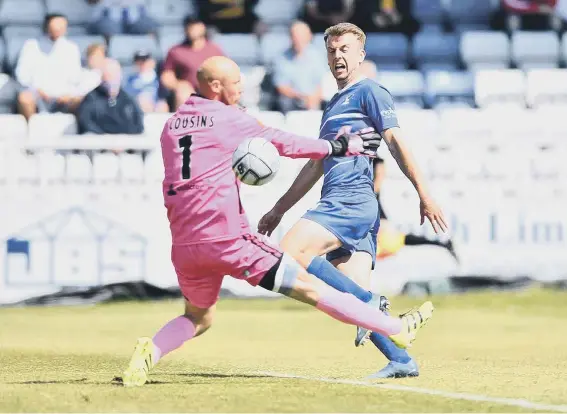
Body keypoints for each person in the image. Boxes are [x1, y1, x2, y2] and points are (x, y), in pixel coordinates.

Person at [121, 56, 434, 387]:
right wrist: (339, 145)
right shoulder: (229, 119)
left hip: (185, 247)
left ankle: (150, 351)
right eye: (236, 82)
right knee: (312, 289)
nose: (241, 87)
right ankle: (397, 330)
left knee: (198, 318)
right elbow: (287, 144)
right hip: (229, 241)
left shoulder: (171, 126)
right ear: (215, 86)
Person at [258, 23, 447, 379]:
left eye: (344, 49)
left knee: (291, 254)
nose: (337, 56)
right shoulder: (333, 104)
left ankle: (371, 305)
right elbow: (316, 163)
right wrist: (279, 208)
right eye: (331, 50)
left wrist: (424, 193)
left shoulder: (371, 92)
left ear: (360, 54)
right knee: (348, 298)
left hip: (351, 201)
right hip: (344, 202)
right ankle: (401, 360)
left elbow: (395, 142)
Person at [373, 157, 458, 261]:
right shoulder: (367, 189)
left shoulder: (374, 190)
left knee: (400, 239)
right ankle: (443, 243)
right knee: (400, 239)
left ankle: (443, 243)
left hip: (380, 229)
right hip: (376, 229)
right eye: (380, 173)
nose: (383, 175)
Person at [16, 14, 82, 121]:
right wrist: (38, 90)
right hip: (38, 95)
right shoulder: (31, 46)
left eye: (62, 26)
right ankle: (31, 132)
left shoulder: (71, 48)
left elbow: (76, 77)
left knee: (81, 100)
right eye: (55, 26)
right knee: (25, 98)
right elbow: (22, 75)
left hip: (63, 98)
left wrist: (67, 94)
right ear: (47, 26)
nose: (58, 29)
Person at [161, 16, 224, 111]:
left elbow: (226, 72)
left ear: (203, 27)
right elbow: (166, 77)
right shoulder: (176, 51)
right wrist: (179, 85)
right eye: (189, 26)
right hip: (188, 92)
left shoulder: (214, 50)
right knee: (183, 93)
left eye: (195, 25)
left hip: (210, 90)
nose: (192, 29)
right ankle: (185, 123)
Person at [76, 58, 144, 135]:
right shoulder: (91, 99)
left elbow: (138, 125)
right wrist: (106, 139)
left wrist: (123, 140)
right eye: (108, 75)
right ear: (102, 77)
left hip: (126, 144)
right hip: (99, 144)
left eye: (115, 74)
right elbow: (85, 123)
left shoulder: (128, 100)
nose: (111, 79)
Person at [273, 21, 327, 113]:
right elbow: (281, 86)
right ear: (290, 38)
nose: (298, 39)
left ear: (309, 36)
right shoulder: (281, 57)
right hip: (292, 100)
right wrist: (302, 97)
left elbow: (322, 82)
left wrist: (314, 98)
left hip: (315, 99)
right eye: (295, 36)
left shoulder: (318, 56)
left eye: (302, 36)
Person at [87, 0, 159, 37]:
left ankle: (153, 53)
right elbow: (91, 2)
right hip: (108, 18)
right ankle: (109, 53)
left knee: (149, 25)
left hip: (136, 17)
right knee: (108, 27)